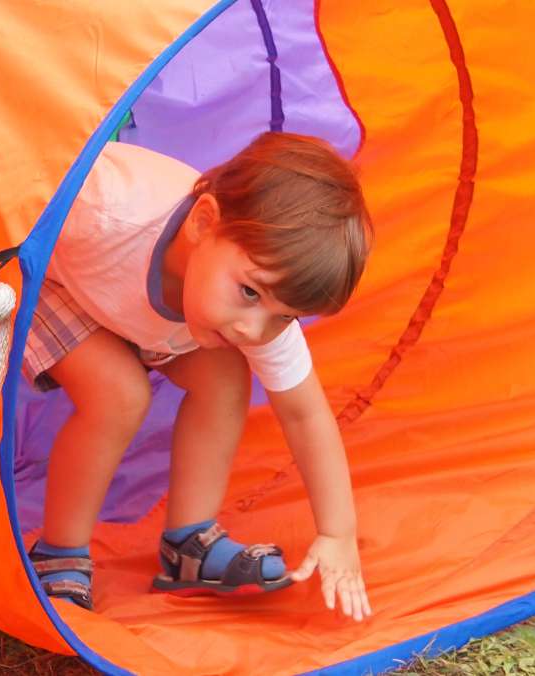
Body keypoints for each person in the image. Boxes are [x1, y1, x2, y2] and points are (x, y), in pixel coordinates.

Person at [23, 132, 373, 621]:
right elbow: (15, 180)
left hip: (132, 304)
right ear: (204, 222)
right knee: (119, 394)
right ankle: (59, 551)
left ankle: (189, 544)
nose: (254, 329)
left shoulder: (260, 306)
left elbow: (305, 414)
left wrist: (337, 532)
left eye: (285, 315)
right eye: (249, 293)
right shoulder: (102, 208)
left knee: (227, 376)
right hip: (48, 277)